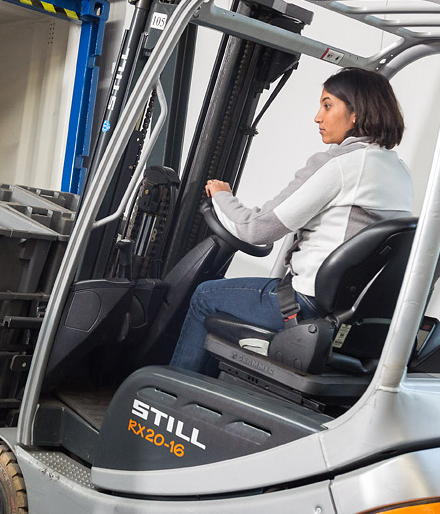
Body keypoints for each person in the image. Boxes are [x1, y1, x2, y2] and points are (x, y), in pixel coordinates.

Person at [170, 68, 413, 376]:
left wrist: (221, 196)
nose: (317, 117)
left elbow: (256, 229)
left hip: (307, 305)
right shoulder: (398, 171)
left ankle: (166, 397)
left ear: (356, 113)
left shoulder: (340, 164)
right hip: (350, 312)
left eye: (327, 105)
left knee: (205, 295)